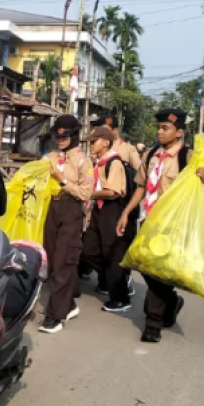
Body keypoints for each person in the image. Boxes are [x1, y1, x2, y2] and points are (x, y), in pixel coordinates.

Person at [117, 109, 204, 343]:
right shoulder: (149, 155)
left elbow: (198, 184)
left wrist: (202, 172)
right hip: (147, 221)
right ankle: (171, 302)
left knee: (158, 272)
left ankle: (153, 323)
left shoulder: (187, 157)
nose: (159, 131)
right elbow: (140, 186)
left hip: (172, 225)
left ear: (178, 132)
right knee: (147, 268)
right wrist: (127, 213)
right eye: (158, 127)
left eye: (165, 128)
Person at [39, 115, 94, 334]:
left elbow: (85, 192)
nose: (61, 140)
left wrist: (62, 179)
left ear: (74, 136)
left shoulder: (83, 161)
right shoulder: (49, 157)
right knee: (52, 262)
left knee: (64, 261)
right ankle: (69, 304)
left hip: (71, 211)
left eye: (66, 136)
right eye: (58, 136)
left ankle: (56, 315)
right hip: (49, 211)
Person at [80, 126, 133, 314]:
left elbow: (112, 191)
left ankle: (120, 297)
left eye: (94, 142)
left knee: (112, 253)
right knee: (88, 250)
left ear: (106, 142)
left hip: (111, 210)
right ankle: (114, 277)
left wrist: (88, 193)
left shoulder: (114, 162)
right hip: (98, 209)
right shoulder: (98, 162)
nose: (91, 145)